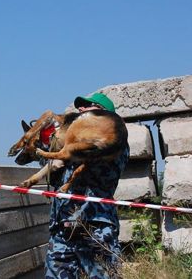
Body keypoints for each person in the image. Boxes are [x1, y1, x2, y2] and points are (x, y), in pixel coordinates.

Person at [45, 93, 130, 279]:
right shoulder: (75, 140)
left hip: (94, 227)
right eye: (80, 107)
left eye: (87, 106)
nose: (81, 110)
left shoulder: (116, 141)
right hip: (63, 228)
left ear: (105, 115)